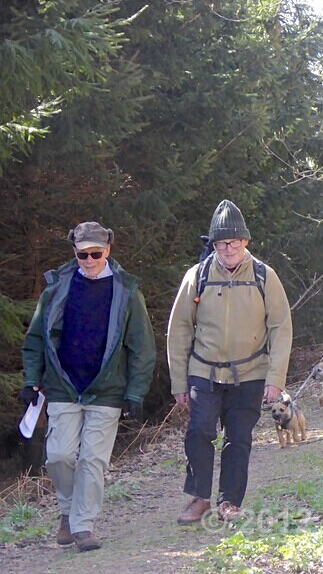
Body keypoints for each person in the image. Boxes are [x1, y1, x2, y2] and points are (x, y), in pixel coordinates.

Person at [20, 222, 156, 552]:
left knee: (92, 460)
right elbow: (36, 338)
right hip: (64, 386)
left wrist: (135, 392)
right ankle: (68, 512)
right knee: (59, 455)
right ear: (75, 252)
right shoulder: (57, 286)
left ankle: (83, 526)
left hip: (107, 389)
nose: (90, 260)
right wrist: (30, 380)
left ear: (107, 250)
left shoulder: (126, 291)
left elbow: (142, 347)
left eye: (96, 253)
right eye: (83, 254)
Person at [167, 200, 292, 524]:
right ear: (214, 245)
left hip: (250, 373)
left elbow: (280, 327)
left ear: (245, 242)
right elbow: (179, 329)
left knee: (239, 438)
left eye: (234, 242)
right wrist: (179, 382)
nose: (229, 249)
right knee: (198, 432)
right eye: (222, 243)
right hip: (203, 371)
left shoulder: (265, 276)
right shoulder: (198, 276)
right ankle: (199, 498)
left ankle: (229, 502)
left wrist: (275, 378)